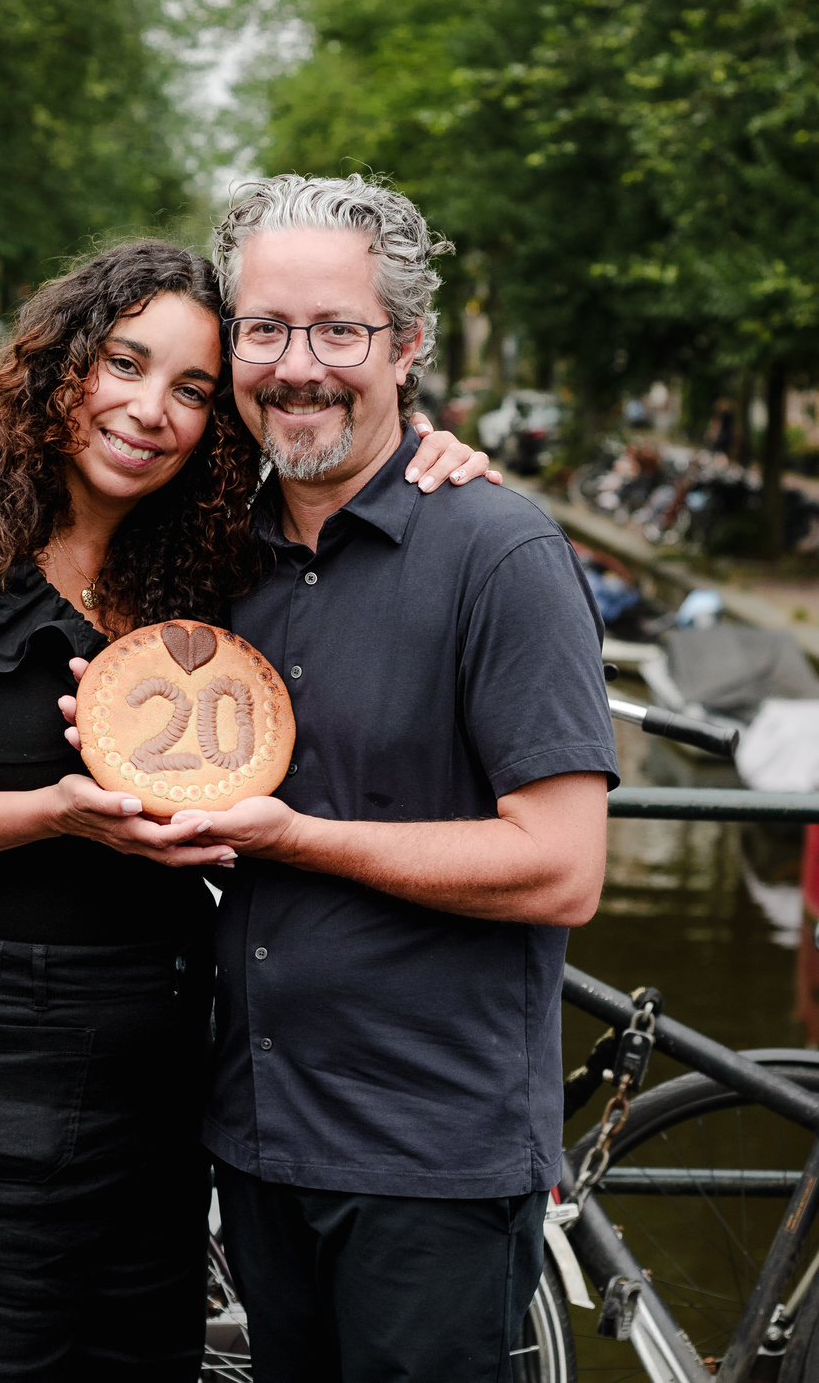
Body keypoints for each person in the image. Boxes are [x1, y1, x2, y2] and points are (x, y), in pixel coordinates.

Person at [0, 238, 495, 1383]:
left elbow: (350, 469)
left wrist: (436, 454)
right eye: (124, 364)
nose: (149, 410)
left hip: (163, 1059)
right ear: (60, 367)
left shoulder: (191, 571)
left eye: (190, 389)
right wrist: (54, 811)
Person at [189, 176, 619, 1383]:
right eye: (266, 329)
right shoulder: (226, 549)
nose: (299, 365)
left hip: (425, 1157)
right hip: (259, 1139)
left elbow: (561, 865)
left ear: (408, 343)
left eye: (341, 330)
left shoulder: (502, 552)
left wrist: (293, 836)